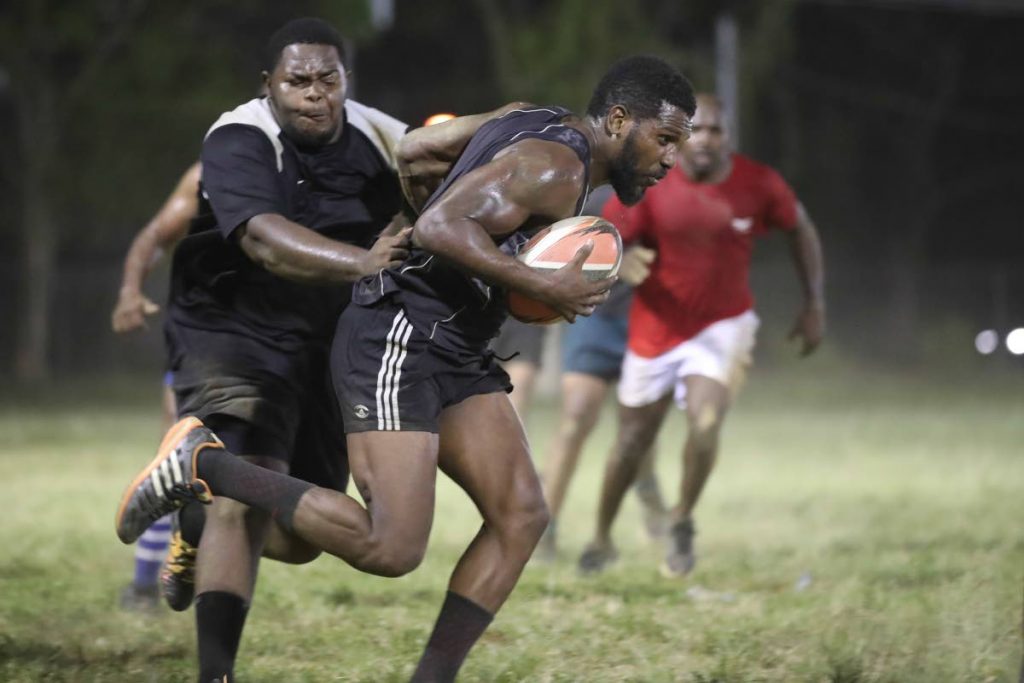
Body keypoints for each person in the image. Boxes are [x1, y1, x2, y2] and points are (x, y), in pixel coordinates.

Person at [116, 55, 696, 682]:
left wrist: (449, 221)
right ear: (617, 120)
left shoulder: (533, 119)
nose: (670, 159)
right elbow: (444, 227)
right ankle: (204, 464)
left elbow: (418, 146)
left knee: (522, 514)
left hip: (457, 345)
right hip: (401, 333)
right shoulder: (555, 164)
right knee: (390, 547)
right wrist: (532, 280)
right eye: (664, 139)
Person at [577, 93, 826, 577]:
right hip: (655, 329)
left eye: (717, 130)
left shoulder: (758, 183)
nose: (708, 139)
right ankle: (602, 537)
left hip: (722, 324)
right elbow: (608, 238)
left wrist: (814, 302)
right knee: (630, 442)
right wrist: (621, 261)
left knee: (706, 420)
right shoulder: (652, 183)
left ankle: (683, 519)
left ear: (728, 135)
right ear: (680, 137)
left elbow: (802, 230)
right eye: (699, 130)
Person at [110, 161, 200, 610]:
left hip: (289, 348)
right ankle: (146, 583)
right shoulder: (214, 171)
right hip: (204, 343)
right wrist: (130, 290)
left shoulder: (328, 169)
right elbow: (154, 236)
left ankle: (199, 553)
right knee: (176, 456)